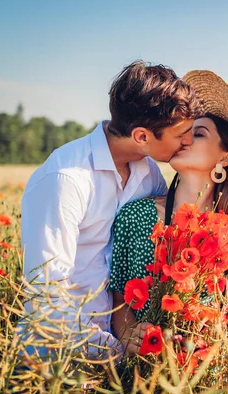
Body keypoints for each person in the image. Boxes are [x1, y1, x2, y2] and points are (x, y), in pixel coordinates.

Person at [20, 60, 201, 358]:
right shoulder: (66, 179)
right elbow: (46, 301)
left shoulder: (148, 174)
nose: (188, 141)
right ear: (142, 137)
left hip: (123, 346)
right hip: (60, 357)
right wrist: (117, 352)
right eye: (181, 134)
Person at [109, 70, 228, 356]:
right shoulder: (136, 215)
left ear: (224, 158)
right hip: (142, 371)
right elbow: (119, 299)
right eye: (185, 131)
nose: (185, 138)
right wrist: (131, 336)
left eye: (199, 133)